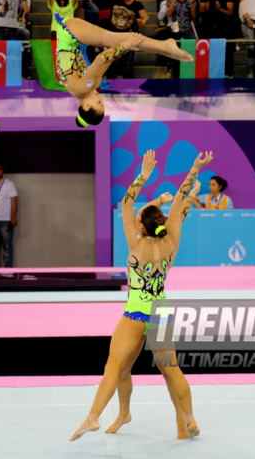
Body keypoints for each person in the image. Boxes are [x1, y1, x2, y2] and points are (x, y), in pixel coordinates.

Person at [70, 149, 213, 442]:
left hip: (136, 312)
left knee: (115, 365)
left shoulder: (135, 244)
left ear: (140, 226)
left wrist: (143, 176)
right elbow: (180, 206)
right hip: (160, 312)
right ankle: (188, 419)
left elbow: (126, 202)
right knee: (171, 370)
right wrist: (194, 170)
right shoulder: (171, 240)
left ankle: (93, 416)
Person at [52, 0, 192, 127]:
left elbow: (100, 58)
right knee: (126, 40)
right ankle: (165, 47)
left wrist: (125, 46)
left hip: (68, 33)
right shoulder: (91, 84)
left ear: (86, 106)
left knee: (117, 39)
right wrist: (126, 48)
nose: (101, 98)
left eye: (98, 103)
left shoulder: (80, 89)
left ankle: (165, 46)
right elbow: (108, 58)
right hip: (74, 39)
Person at [104, 0, 147, 79]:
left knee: (127, 66)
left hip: (129, 38)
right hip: (113, 37)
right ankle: (111, 90)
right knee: (111, 66)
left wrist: (143, 21)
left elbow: (145, 17)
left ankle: (128, 90)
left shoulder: (137, 4)